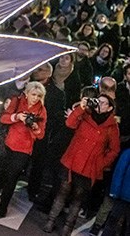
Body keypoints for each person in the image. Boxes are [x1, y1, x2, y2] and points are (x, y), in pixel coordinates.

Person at [43, 94, 120, 235]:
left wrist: (100, 163)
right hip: (72, 160)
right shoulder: (86, 114)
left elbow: (114, 150)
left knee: (78, 197)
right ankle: (50, 221)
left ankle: (67, 227)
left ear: (109, 108)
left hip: (89, 166)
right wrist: (81, 107)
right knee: (62, 191)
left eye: (103, 103)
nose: (99, 104)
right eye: (98, 101)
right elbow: (70, 123)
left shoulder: (112, 126)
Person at [0, 82, 47, 218]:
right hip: (7, 144)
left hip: (23, 149)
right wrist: (17, 117)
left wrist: (34, 126)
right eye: (33, 94)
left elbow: (41, 135)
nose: (35, 98)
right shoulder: (16, 102)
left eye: (38, 96)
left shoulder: (42, 110)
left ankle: (2, 208)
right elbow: (3, 118)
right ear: (26, 93)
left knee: (11, 180)